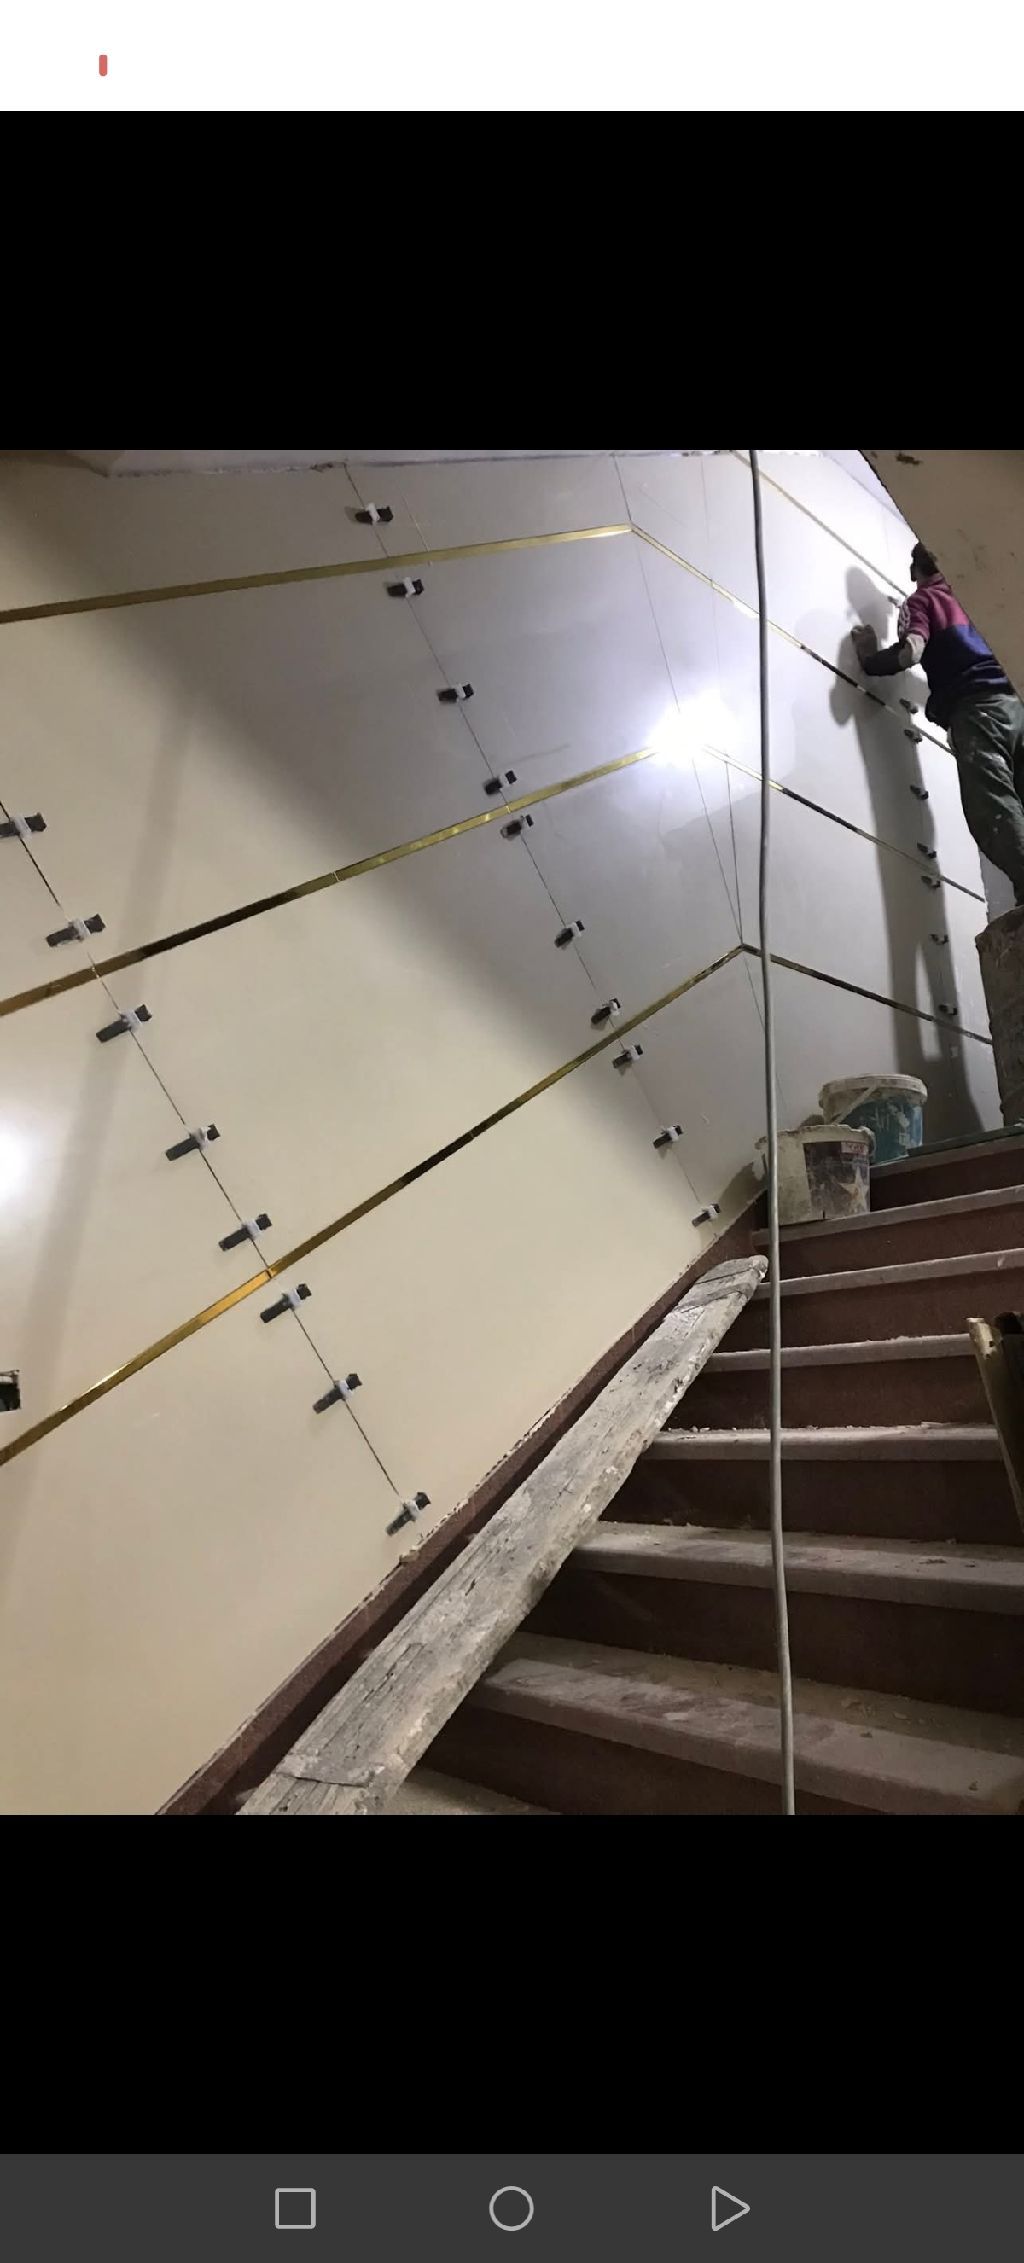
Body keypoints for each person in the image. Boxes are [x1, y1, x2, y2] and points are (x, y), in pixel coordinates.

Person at [852, 542, 1024, 905]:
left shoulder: (922, 600)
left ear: (914, 572)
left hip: (977, 713)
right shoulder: (974, 599)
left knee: (991, 805)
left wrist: (869, 659)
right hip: (1015, 707)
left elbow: (911, 652)